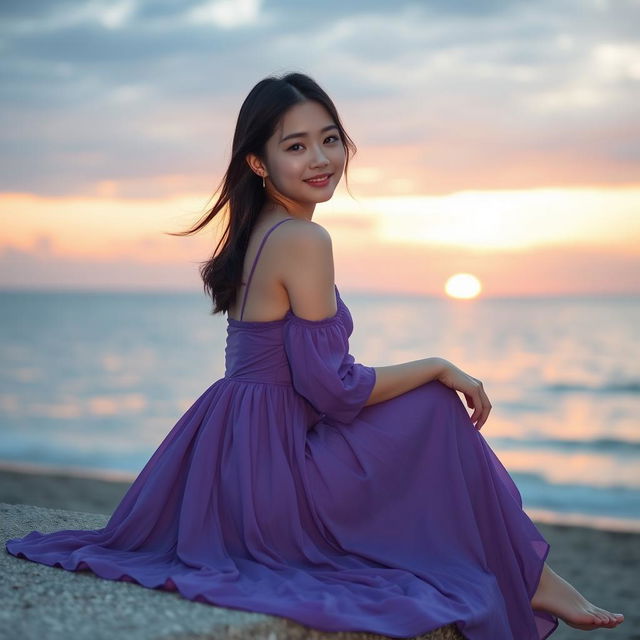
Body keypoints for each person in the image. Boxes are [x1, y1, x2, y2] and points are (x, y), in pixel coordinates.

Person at [5, 72, 624, 639]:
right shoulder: (305, 238)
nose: (322, 159)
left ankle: (530, 575)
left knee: (419, 413)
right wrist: (437, 364)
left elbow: (311, 379)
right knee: (435, 407)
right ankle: (531, 577)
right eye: (296, 146)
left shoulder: (262, 228)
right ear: (258, 160)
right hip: (273, 464)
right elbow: (334, 389)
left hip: (234, 447)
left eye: (329, 140)